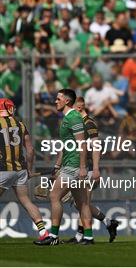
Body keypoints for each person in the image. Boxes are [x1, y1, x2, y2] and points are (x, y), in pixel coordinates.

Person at [34, 89, 93, 246]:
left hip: (73, 165)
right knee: (83, 202)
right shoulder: (69, 117)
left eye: (58, 98)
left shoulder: (73, 117)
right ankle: (88, 237)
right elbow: (66, 145)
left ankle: (53, 236)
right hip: (70, 164)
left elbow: (82, 143)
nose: (55, 101)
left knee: (54, 196)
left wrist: (82, 167)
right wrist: (57, 165)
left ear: (67, 101)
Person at [66, 97, 119, 244]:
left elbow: (96, 147)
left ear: (80, 108)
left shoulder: (89, 123)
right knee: (81, 204)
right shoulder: (77, 123)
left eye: (73, 108)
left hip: (88, 169)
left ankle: (85, 236)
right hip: (81, 168)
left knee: (83, 204)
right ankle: (108, 222)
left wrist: (96, 169)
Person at [0, 98, 49, 241]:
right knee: (26, 201)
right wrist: (28, 168)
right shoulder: (20, 124)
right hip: (20, 170)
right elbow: (30, 150)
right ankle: (43, 232)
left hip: (3, 170)